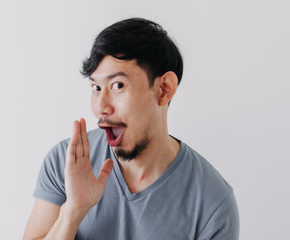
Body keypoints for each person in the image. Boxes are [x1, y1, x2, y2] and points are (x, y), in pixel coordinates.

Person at [23, 18, 240, 240]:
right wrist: (72, 212)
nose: (101, 107)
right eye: (96, 87)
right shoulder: (66, 162)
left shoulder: (213, 203)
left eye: (118, 85)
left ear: (164, 89)